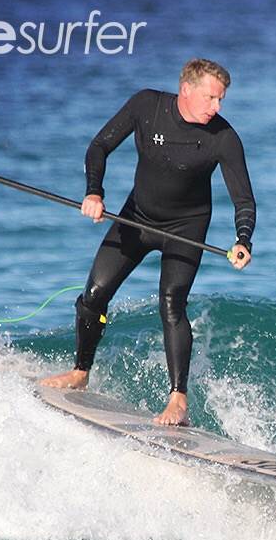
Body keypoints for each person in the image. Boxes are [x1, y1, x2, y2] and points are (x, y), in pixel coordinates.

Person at [40, 58, 255, 426]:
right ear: (186, 89)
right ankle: (80, 372)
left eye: (221, 99)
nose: (217, 107)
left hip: (186, 228)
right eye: (211, 98)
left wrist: (243, 240)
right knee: (94, 294)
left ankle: (178, 400)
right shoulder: (147, 106)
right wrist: (94, 192)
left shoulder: (223, 137)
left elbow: (244, 200)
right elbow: (99, 147)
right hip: (136, 217)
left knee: (172, 303)